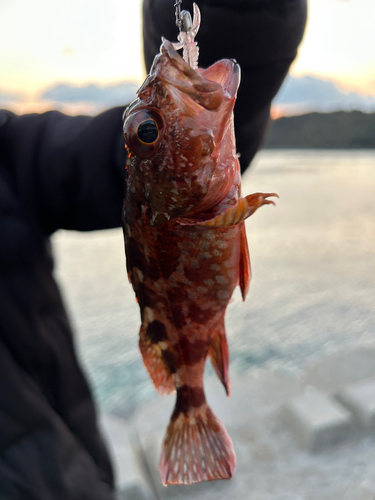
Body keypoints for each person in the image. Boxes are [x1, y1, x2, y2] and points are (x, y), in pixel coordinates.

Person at [0, 1, 306, 498]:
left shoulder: (12, 154)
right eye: (148, 131)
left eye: (145, 131)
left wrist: (237, 12)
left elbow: (109, 159)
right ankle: (193, 403)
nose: (148, 132)